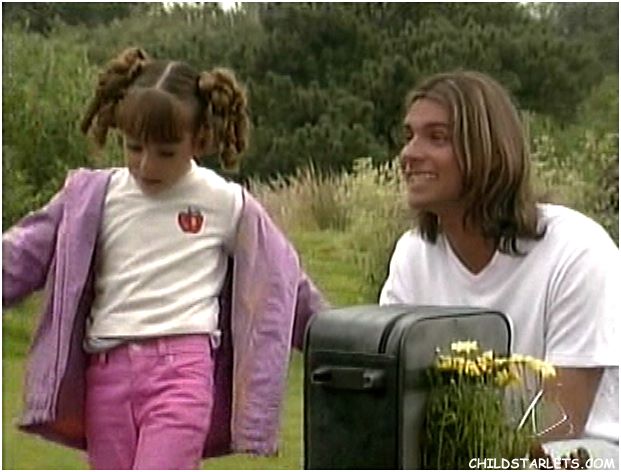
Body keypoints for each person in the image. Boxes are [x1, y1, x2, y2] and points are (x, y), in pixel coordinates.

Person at [2, 47, 325, 469]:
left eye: (166, 152)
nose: (146, 165)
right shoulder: (92, 196)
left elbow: (282, 282)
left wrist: (342, 338)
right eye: (133, 147)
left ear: (200, 139)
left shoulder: (226, 202)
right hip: (106, 375)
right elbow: (22, 252)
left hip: (182, 373)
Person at [379, 71, 619, 444]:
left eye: (437, 137)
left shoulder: (577, 252)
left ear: (489, 152)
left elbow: (559, 426)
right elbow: (392, 402)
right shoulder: (413, 256)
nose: (409, 154)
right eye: (409, 136)